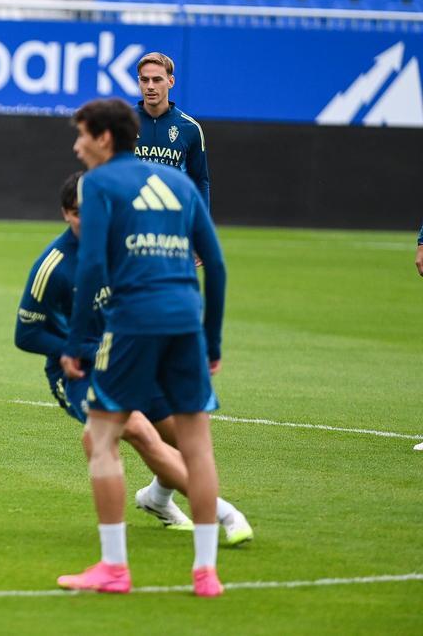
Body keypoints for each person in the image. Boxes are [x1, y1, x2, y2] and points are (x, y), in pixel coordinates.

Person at [14, 172, 251, 542]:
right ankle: (224, 513)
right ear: (66, 214)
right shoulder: (55, 265)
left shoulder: (126, 247)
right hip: (78, 373)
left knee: (185, 437)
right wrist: (80, 350)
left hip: (130, 359)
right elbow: (26, 333)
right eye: (81, 212)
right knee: (139, 429)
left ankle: (157, 498)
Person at [57, 98, 227, 597]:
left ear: (104, 138)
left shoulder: (98, 184)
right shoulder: (180, 184)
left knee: (100, 438)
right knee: (198, 447)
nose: (77, 146)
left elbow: (92, 267)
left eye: (82, 134)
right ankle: (206, 572)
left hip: (133, 322)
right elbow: (215, 265)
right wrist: (212, 340)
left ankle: (114, 567)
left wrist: (77, 341)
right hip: (185, 322)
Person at [134, 52, 210, 209]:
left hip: (173, 216)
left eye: (157, 80)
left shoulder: (190, 128)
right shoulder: (121, 123)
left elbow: (200, 181)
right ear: (138, 82)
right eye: (144, 80)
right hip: (131, 216)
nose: (150, 86)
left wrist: (202, 221)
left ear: (171, 82)